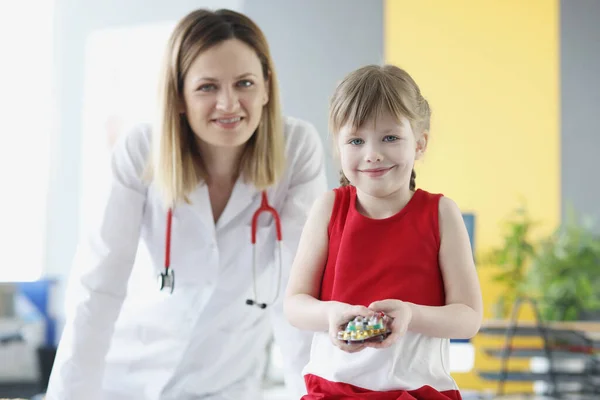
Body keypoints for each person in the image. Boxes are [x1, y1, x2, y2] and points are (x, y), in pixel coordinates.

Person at [47, 8, 327, 400]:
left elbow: (298, 292)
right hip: (122, 381)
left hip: (224, 384)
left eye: (244, 83)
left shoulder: (296, 148)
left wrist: (313, 395)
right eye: (207, 87)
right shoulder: (140, 150)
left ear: (266, 87)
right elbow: (98, 288)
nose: (229, 103)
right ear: (178, 96)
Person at [284, 64, 483, 399]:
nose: (372, 154)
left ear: (419, 144)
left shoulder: (441, 214)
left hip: (419, 392)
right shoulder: (328, 209)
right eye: (356, 140)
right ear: (339, 147)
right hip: (334, 392)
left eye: (390, 138)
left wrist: (410, 314)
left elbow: (468, 317)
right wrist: (331, 312)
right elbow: (295, 304)